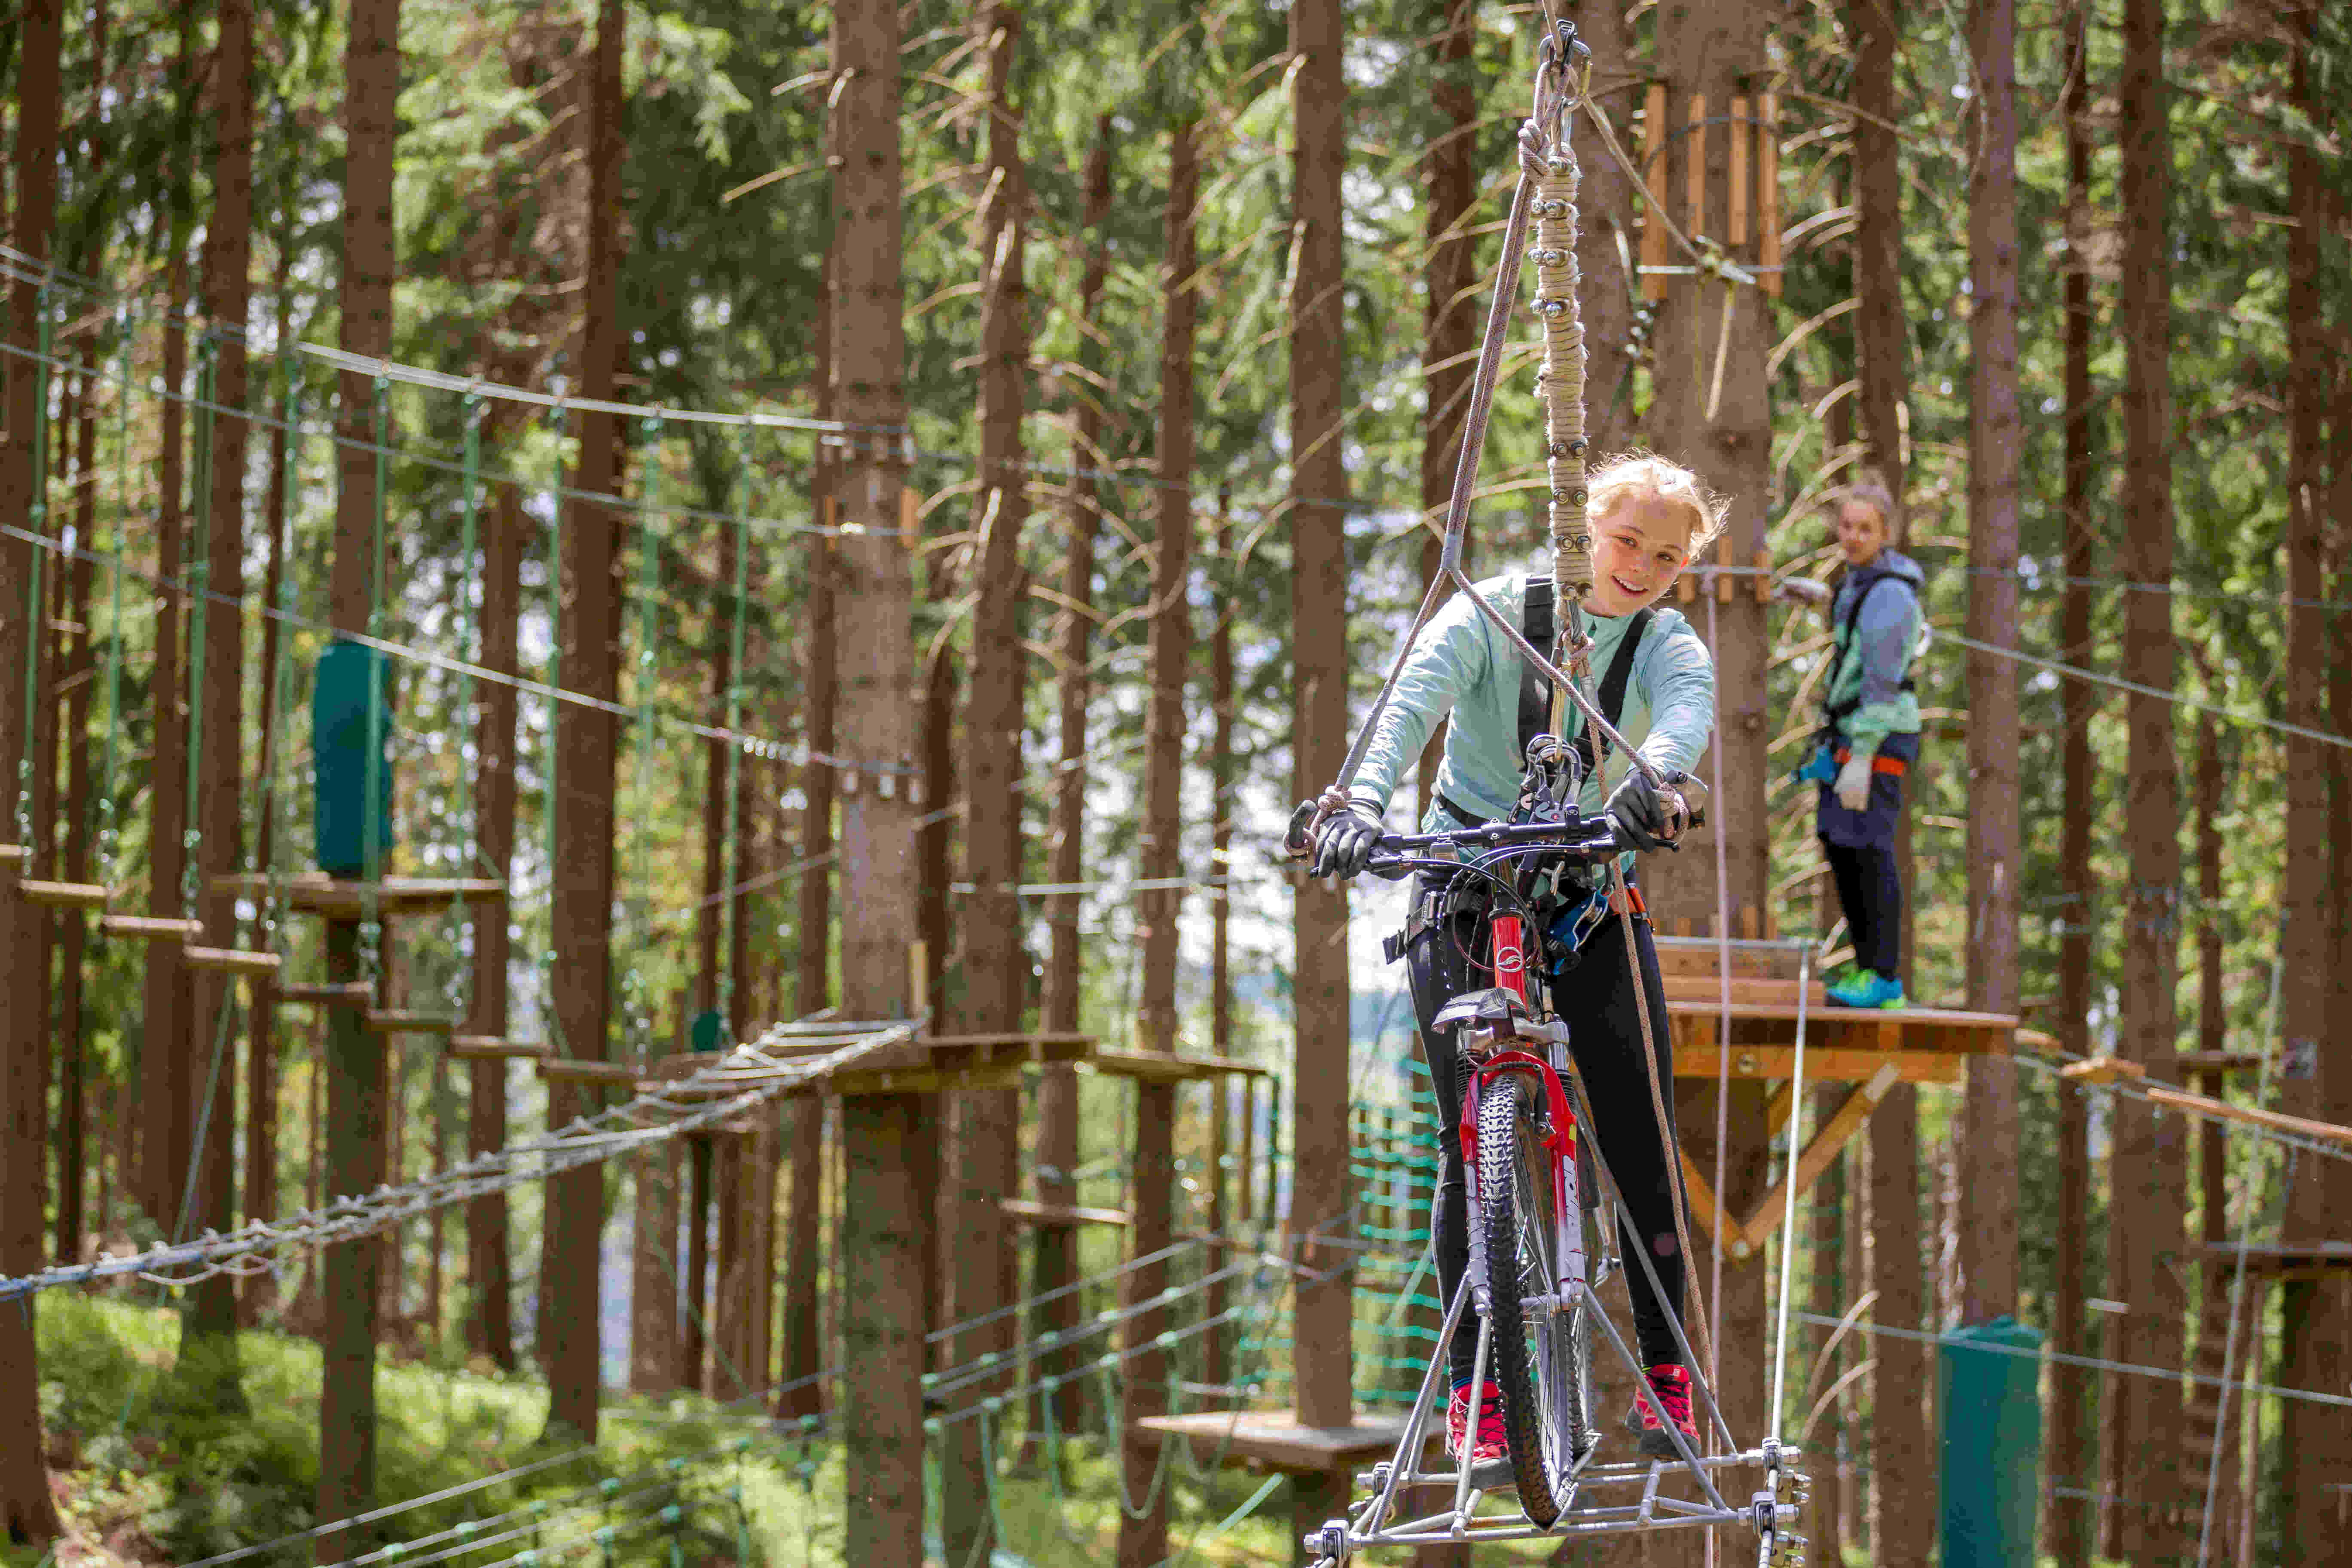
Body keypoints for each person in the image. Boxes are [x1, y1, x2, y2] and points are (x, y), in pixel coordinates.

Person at [1310, 452, 1724, 1470]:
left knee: (1639, 1127)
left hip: (1588, 895)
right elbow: (1411, 702)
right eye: (1627, 541)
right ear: (1581, 529)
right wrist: (1358, 804)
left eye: (1667, 557)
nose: (1642, 568)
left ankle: (1667, 1372)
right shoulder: (1492, 615)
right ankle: (1478, 1393)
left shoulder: (1667, 644)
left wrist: (1658, 778)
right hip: (1464, 881)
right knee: (1466, 1144)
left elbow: (1684, 713)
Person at [1804, 474, 1924, 1009]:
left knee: (1868, 847)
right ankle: (1867, 967)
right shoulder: (1859, 583)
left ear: (1884, 533)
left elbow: (1880, 681)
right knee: (1840, 842)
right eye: (1846, 526)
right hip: (1851, 731)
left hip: (1877, 734)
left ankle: (1883, 977)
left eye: (1864, 529)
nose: (1852, 537)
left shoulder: (1891, 595)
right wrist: (1821, 600)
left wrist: (1863, 757)